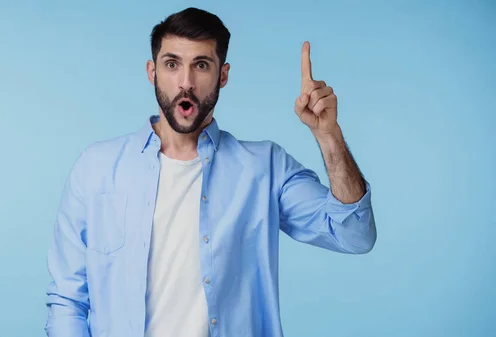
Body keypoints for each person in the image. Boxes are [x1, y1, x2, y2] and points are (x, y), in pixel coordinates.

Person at [44, 7, 377, 337]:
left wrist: (328, 135)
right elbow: (67, 301)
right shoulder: (96, 168)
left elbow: (354, 235)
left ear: (223, 75)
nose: (185, 83)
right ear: (152, 72)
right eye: (171, 64)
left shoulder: (266, 168)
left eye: (201, 65)